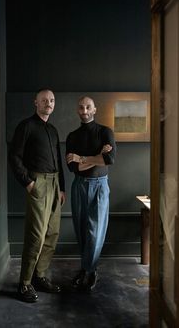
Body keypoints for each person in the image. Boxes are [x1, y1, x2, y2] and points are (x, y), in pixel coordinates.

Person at [9, 89, 65, 303]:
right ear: (36, 103)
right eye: (44, 100)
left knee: (52, 234)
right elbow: (14, 156)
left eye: (51, 100)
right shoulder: (26, 126)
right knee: (36, 236)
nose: (48, 103)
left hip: (55, 183)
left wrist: (62, 188)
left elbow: (59, 161)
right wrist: (28, 182)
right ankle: (24, 284)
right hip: (38, 183)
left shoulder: (52, 129)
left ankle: (39, 277)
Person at [66, 95, 116, 291]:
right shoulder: (72, 136)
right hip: (78, 184)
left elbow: (109, 160)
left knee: (95, 231)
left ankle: (90, 270)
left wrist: (82, 158)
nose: (84, 111)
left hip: (99, 185)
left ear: (95, 109)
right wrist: (96, 157)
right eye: (81, 107)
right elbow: (72, 167)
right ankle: (86, 268)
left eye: (88, 107)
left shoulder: (105, 132)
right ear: (77, 110)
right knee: (81, 230)